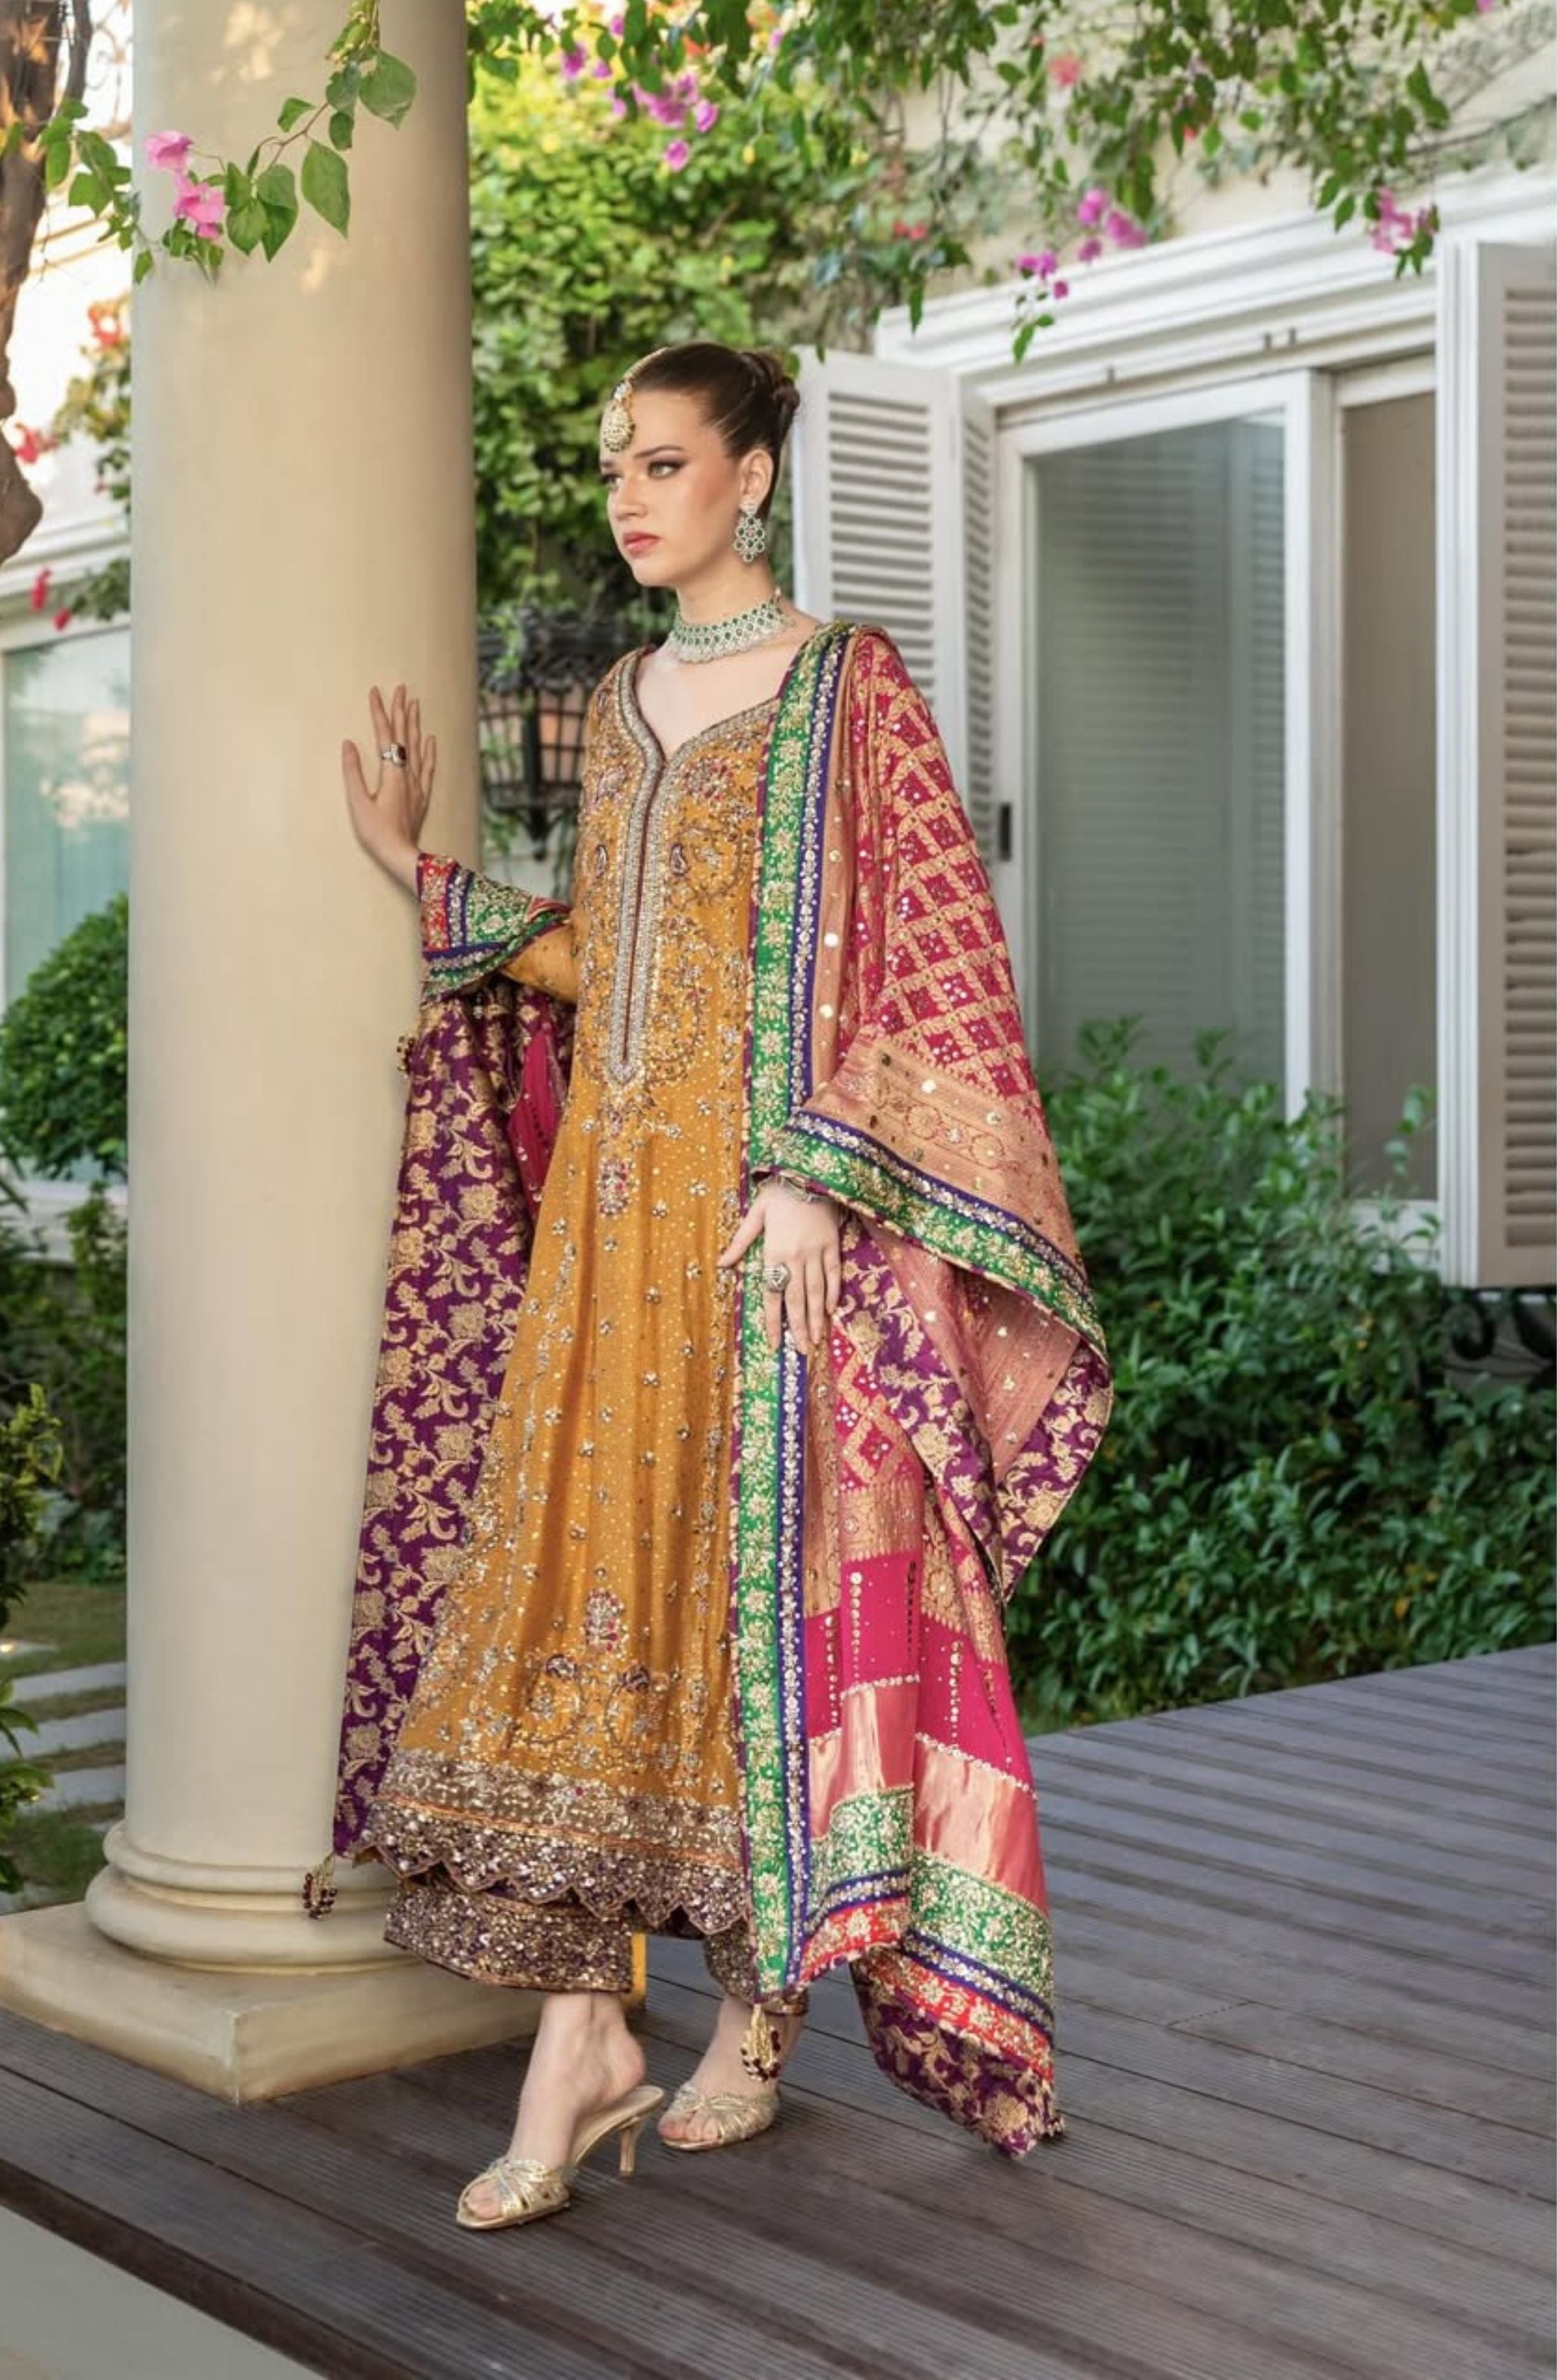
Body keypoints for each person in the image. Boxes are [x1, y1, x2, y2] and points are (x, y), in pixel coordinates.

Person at [317, 340, 1113, 2233]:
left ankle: (752, 2020)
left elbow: (932, 974)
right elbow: (614, 956)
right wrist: (424, 879)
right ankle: (587, 2028)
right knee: (601, 1584)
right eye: (615, 465)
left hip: (777, 1226)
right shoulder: (621, 704)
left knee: (754, 1606)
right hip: (614, 1215)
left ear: (752, 479)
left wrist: (827, 1175)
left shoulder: (850, 692)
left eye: (664, 463)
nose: (627, 494)